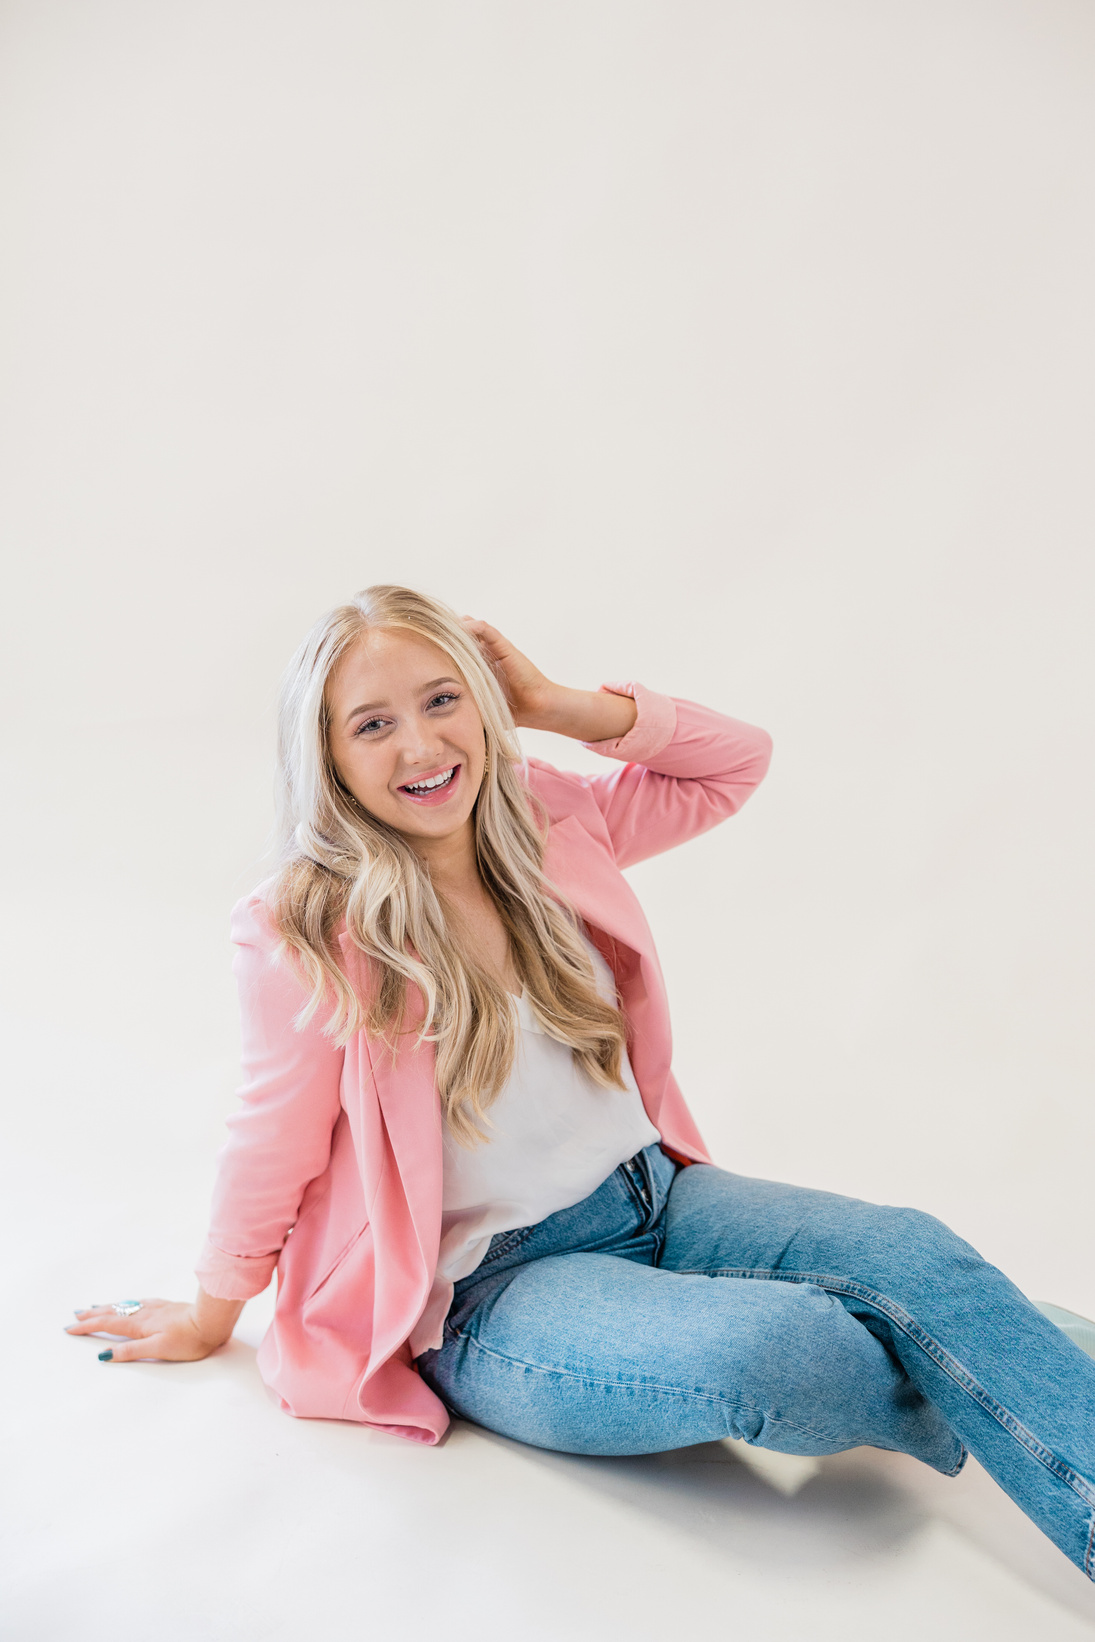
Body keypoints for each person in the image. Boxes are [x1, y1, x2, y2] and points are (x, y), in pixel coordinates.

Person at [67, 584, 1095, 1579]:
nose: (422, 746)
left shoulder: (547, 812)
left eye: (442, 699)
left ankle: (984, 1337)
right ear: (327, 755)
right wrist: (213, 1310)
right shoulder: (306, 923)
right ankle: (1001, 1341)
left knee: (911, 1247)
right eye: (372, 724)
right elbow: (270, 1129)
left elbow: (735, 764)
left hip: (659, 1193)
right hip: (500, 1286)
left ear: (482, 694)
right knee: (782, 1354)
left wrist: (561, 704)